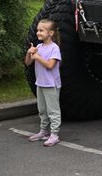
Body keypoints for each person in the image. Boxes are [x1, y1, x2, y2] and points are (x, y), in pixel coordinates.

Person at [24, 19, 62, 147]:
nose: (38, 32)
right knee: (42, 110)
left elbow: (50, 65)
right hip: (40, 83)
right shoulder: (38, 47)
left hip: (51, 85)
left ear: (50, 33)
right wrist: (29, 54)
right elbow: (28, 62)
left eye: (41, 30)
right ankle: (44, 132)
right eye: (38, 30)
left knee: (53, 111)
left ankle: (55, 134)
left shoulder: (54, 48)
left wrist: (37, 57)